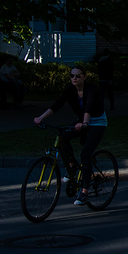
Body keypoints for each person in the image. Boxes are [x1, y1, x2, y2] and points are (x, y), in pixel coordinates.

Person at [33, 65, 107, 206]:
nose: (74, 78)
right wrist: (41, 118)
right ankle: (72, 166)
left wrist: (84, 123)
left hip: (97, 122)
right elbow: (57, 105)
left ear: (84, 77)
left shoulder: (91, 89)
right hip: (81, 121)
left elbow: (88, 107)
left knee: (85, 155)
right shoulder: (70, 90)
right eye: (72, 76)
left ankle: (84, 193)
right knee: (63, 137)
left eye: (78, 76)